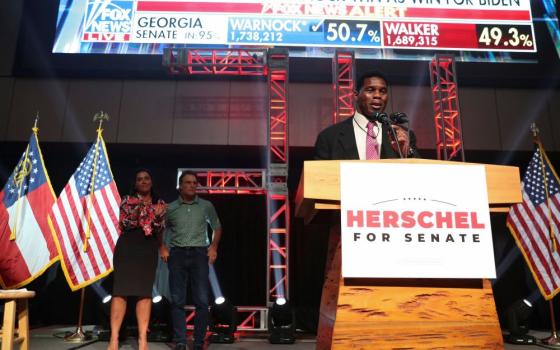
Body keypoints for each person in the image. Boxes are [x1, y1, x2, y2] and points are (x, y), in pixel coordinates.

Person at [161, 170, 223, 350]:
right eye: (188, 182)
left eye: (195, 182)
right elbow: (160, 229)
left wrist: (213, 247)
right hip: (177, 254)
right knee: (177, 300)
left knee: (202, 300)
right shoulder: (170, 208)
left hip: (199, 254)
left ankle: (198, 341)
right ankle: (180, 340)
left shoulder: (206, 206)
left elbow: (217, 227)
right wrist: (162, 247)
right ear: (180, 186)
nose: (192, 185)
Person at [109, 168, 166, 350]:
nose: (143, 181)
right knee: (120, 291)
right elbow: (125, 223)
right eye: (139, 179)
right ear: (135, 184)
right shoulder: (127, 200)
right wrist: (142, 208)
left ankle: (143, 339)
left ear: (151, 182)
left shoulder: (160, 203)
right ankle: (114, 338)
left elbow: (158, 230)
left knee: (144, 292)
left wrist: (157, 217)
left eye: (146, 178)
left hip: (147, 248)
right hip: (127, 247)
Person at [314, 71, 419, 160]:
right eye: (370, 90)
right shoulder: (329, 137)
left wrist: (406, 150)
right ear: (356, 95)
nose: (377, 95)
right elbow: (318, 178)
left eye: (383, 91)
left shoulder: (402, 135)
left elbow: (421, 173)